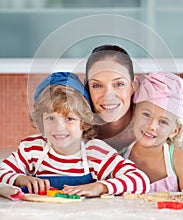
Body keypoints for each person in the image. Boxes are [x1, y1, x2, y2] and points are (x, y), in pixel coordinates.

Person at [0, 72, 150, 197]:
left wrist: (99, 187)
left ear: (83, 122)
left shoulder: (95, 153)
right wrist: (19, 179)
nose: (59, 128)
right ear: (41, 121)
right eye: (50, 118)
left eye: (69, 119)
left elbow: (141, 181)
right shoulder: (32, 149)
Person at [85, 44, 183, 186]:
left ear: (134, 85)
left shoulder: (165, 116)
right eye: (97, 85)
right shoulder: (79, 124)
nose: (108, 96)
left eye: (119, 84)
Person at [123, 72, 183, 191]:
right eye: (146, 115)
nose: (152, 126)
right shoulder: (120, 158)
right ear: (134, 114)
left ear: (174, 131)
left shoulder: (179, 160)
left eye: (163, 122)